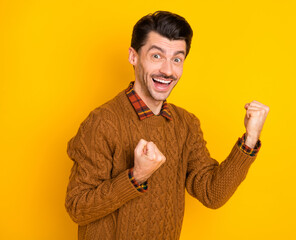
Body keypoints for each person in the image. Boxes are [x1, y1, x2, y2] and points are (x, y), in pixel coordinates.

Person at [65, 10, 269, 240]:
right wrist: (136, 177)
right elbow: (77, 207)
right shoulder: (103, 122)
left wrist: (250, 140)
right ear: (133, 56)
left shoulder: (186, 124)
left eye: (177, 59)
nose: (168, 70)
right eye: (156, 56)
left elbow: (213, 193)